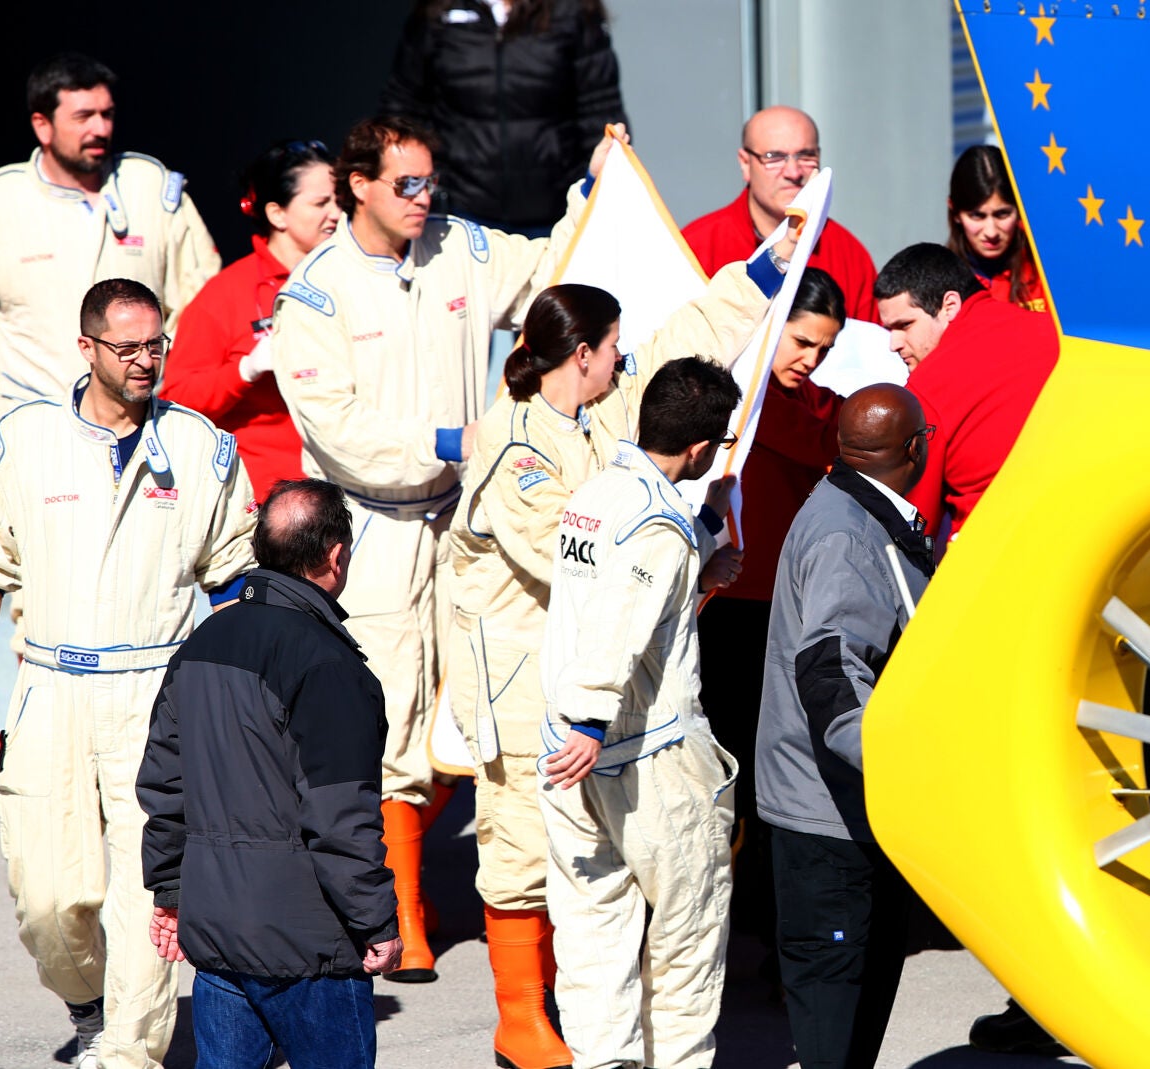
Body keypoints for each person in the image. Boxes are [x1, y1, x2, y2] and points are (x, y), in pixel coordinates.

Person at [270, 114, 620, 982]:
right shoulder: (314, 294)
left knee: (477, 692)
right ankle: (398, 911)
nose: (426, 200)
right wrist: (455, 440)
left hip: (465, 520)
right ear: (358, 185)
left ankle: (489, 897)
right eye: (407, 186)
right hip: (374, 528)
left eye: (432, 182)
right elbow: (338, 427)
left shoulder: (460, 246)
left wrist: (599, 186)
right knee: (385, 707)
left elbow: (553, 269)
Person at [445, 240, 787, 1068]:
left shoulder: (601, 413)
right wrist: (694, 538)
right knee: (534, 864)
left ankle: (596, 1041)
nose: (626, 358)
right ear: (581, 354)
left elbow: (682, 342)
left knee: (599, 902)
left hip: (606, 692)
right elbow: (572, 568)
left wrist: (767, 269)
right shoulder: (517, 443)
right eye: (614, 347)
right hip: (538, 686)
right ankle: (521, 1016)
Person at [0, 279, 257, 1069]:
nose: (146, 360)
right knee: (49, 902)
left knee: (149, 892)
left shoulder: (199, 447)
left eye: (157, 344)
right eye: (128, 348)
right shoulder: (21, 442)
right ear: (86, 349)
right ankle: (89, 1003)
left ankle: (128, 1046)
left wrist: (235, 696)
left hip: (158, 691)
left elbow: (229, 579)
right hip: (50, 685)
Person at [138, 479, 402, 1069]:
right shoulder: (330, 665)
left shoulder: (203, 643)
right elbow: (341, 818)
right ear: (336, 556)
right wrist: (376, 920)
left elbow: (163, 787)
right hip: (309, 948)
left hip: (218, 935)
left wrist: (173, 893)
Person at [537, 358, 748, 1069]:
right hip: (643, 757)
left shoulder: (595, 494)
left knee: (592, 933)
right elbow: (623, 621)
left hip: (563, 749)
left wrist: (705, 551)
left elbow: (629, 605)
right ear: (700, 448)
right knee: (686, 940)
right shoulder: (659, 525)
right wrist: (595, 720)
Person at [0, 52, 219, 490]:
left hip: (143, 428)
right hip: (33, 433)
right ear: (42, 125)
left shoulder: (154, 190)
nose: (100, 128)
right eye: (83, 116)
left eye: (107, 114)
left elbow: (202, 308)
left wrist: (180, 401)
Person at [758, 383, 934, 1069]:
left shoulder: (853, 511)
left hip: (850, 813)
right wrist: (892, 762)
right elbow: (830, 669)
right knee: (835, 1021)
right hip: (830, 823)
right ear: (914, 449)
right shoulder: (847, 534)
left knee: (855, 1009)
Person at [696, 267, 846, 976]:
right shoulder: (740, 390)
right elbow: (813, 438)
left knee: (774, 772)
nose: (810, 359)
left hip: (788, 607)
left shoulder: (814, 403)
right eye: (802, 341)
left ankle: (764, 921)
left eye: (824, 348)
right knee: (727, 769)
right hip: (725, 608)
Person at [161, 140, 340, 500]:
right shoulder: (226, 294)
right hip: (266, 502)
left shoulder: (354, 280)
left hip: (350, 494)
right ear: (277, 214)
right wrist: (246, 370)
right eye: (321, 203)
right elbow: (176, 399)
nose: (337, 213)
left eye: (340, 201)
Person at [381, 0, 627, 235]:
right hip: (460, 213)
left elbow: (600, 110)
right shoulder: (439, 10)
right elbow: (403, 106)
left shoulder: (572, 10)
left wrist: (590, 195)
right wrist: (427, 187)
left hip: (555, 213)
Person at [873, 243, 1058, 539]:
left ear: (950, 307)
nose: (893, 343)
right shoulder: (1057, 332)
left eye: (905, 325)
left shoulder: (927, 388)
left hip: (999, 553)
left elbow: (913, 526)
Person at [684, 105, 880, 322]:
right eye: (774, 157)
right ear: (745, 163)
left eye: (806, 156)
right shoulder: (698, 246)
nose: (793, 172)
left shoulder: (848, 254)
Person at [945, 146, 1047, 315]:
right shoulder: (936, 281)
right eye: (977, 216)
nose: (991, 232)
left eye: (1002, 214)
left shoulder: (1046, 267)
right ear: (955, 212)